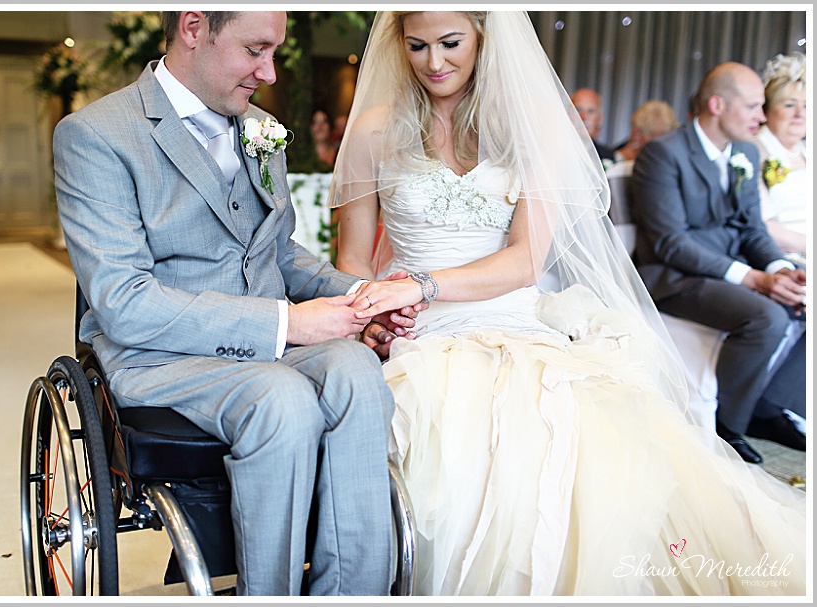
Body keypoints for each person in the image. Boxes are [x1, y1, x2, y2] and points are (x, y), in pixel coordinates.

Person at [330, 11, 806, 596]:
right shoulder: (374, 130)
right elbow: (353, 259)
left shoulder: (531, 128)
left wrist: (421, 285)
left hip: (508, 317)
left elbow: (526, 260)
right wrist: (369, 317)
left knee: (571, 441)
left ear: (484, 37)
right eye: (417, 45)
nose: (434, 62)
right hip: (411, 331)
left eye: (450, 43)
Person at [53, 10, 420, 596]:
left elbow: (280, 254)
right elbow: (124, 303)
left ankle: (352, 593)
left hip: (263, 349)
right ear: (194, 27)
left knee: (356, 368)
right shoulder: (97, 135)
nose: (269, 73)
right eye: (255, 50)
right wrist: (288, 323)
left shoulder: (260, 128)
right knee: (281, 398)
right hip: (160, 356)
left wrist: (359, 298)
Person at [631, 61, 807, 465]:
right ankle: (726, 426)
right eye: (753, 106)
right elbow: (670, 243)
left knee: (804, 299)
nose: (761, 116)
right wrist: (754, 278)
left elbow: (753, 229)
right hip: (673, 277)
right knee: (766, 317)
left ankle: (766, 407)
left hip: (727, 269)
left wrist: (780, 269)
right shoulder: (663, 154)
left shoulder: (745, 152)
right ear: (717, 105)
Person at [753, 52, 807, 259]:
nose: (799, 113)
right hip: (782, 256)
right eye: (789, 105)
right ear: (768, 110)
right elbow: (758, 223)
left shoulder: (805, 151)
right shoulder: (754, 151)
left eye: (806, 106)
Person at [612, 100, 679, 165]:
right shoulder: (609, 164)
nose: (665, 146)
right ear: (637, 134)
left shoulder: (669, 165)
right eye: (659, 140)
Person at [570, 87, 615, 162]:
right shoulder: (554, 150)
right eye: (578, 110)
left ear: (600, 118)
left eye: (590, 111)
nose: (583, 117)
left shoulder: (607, 156)